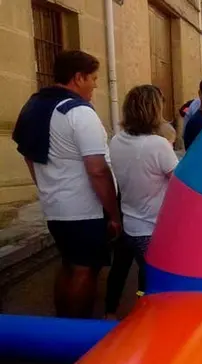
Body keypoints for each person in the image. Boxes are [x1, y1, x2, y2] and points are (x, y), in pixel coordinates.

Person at [12, 50, 119, 318]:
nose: (95, 84)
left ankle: (62, 327)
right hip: (85, 210)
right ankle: (77, 334)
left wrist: (46, 188)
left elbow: (27, 154)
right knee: (85, 269)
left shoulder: (34, 106)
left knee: (70, 265)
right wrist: (114, 212)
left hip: (56, 207)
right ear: (78, 77)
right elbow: (97, 170)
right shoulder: (79, 112)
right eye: (93, 78)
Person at [107, 85, 179, 317]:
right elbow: (180, 183)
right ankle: (145, 321)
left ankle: (109, 313)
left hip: (129, 220)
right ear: (154, 110)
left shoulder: (116, 141)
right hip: (150, 226)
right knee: (153, 282)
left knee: (119, 271)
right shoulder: (158, 145)